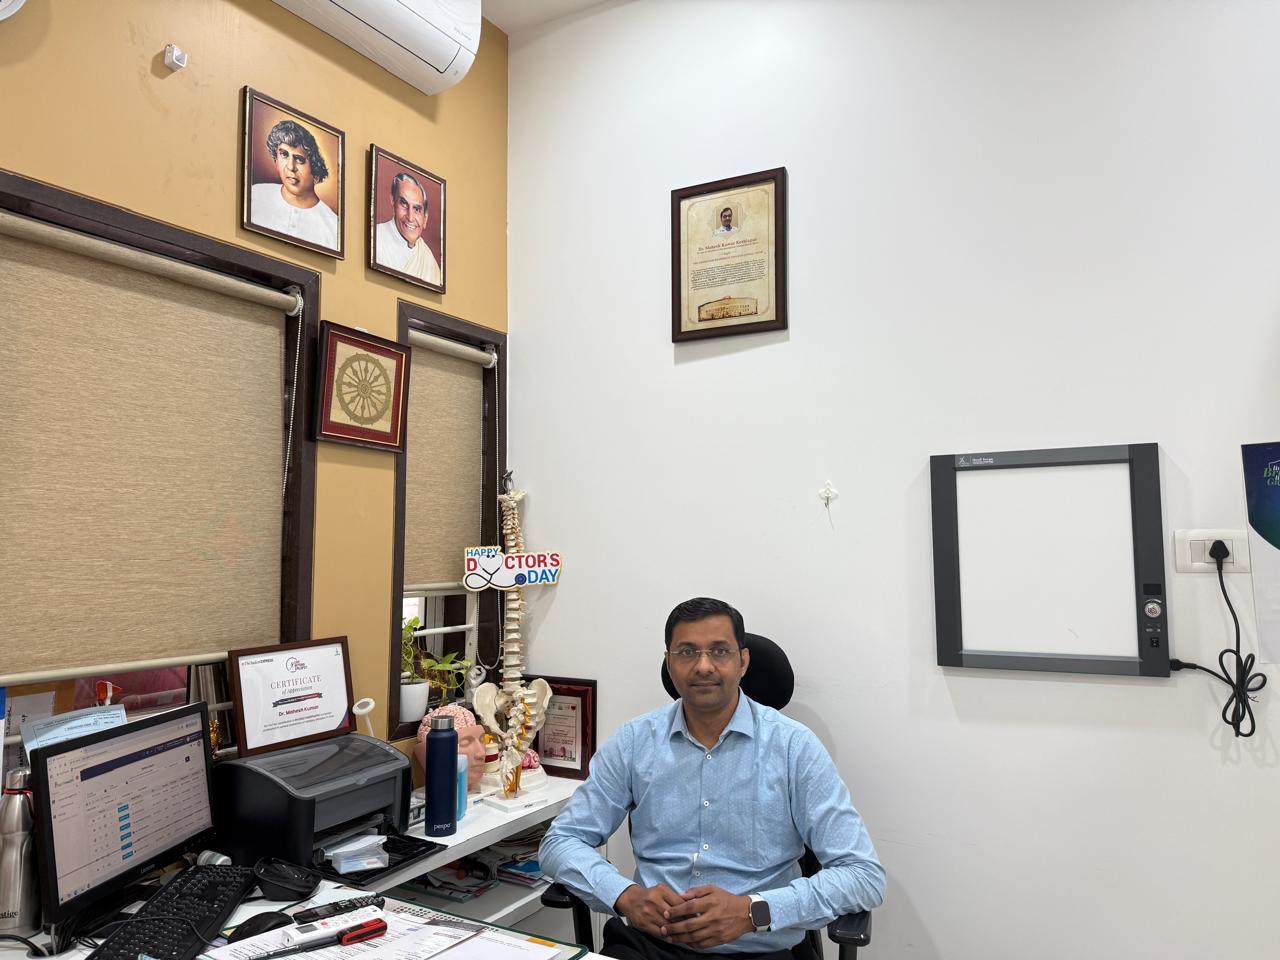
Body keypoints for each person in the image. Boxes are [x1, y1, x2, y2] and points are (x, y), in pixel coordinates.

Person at [539, 598, 884, 960]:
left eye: (719, 651)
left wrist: (753, 912)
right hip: (650, 946)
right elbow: (560, 841)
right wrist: (624, 895)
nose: (703, 666)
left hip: (760, 950)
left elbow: (863, 875)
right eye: (687, 651)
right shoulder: (634, 742)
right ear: (669, 662)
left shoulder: (794, 747)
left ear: (743, 662)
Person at [249, 119, 338, 250]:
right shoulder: (254, 195)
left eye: (299, 159)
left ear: (315, 169)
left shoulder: (333, 227)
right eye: (284, 155)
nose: (290, 167)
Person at [375, 171, 442, 285]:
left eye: (417, 209)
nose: (410, 217)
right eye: (404, 203)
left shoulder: (427, 258)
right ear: (393, 201)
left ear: (425, 219)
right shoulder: (376, 237)